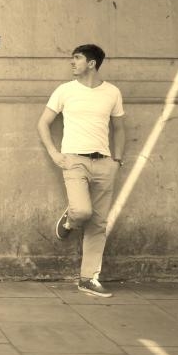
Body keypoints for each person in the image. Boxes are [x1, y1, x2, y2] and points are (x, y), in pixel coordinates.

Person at [37, 44, 126, 298]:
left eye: (77, 58)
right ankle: (71, 219)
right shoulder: (65, 90)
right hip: (74, 160)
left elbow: (119, 128)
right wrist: (55, 154)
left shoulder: (112, 92)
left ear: (92, 63)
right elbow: (43, 124)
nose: (72, 62)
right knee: (83, 211)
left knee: (98, 223)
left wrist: (117, 161)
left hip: (104, 163)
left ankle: (88, 279)